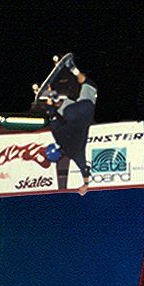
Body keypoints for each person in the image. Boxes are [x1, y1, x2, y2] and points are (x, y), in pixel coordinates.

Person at [35, 54, 97, 194]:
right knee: (61, 109)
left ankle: (73, 68)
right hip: (70, 111)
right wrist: (49, 99)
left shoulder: (74, 153)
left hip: (86, 110)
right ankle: (55, 94)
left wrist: (85, 185)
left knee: (88, 84)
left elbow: (84, 169)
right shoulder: (57, 135)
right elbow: (51, 115)